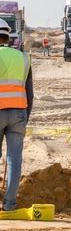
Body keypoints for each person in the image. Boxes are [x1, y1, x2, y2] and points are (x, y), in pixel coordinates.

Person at [0, 18, 34, 212]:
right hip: (18, 112)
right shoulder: (24, 58)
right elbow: (30, 94)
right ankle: (10, 204)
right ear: (9, 36)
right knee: (14, 159)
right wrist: (24, 118)